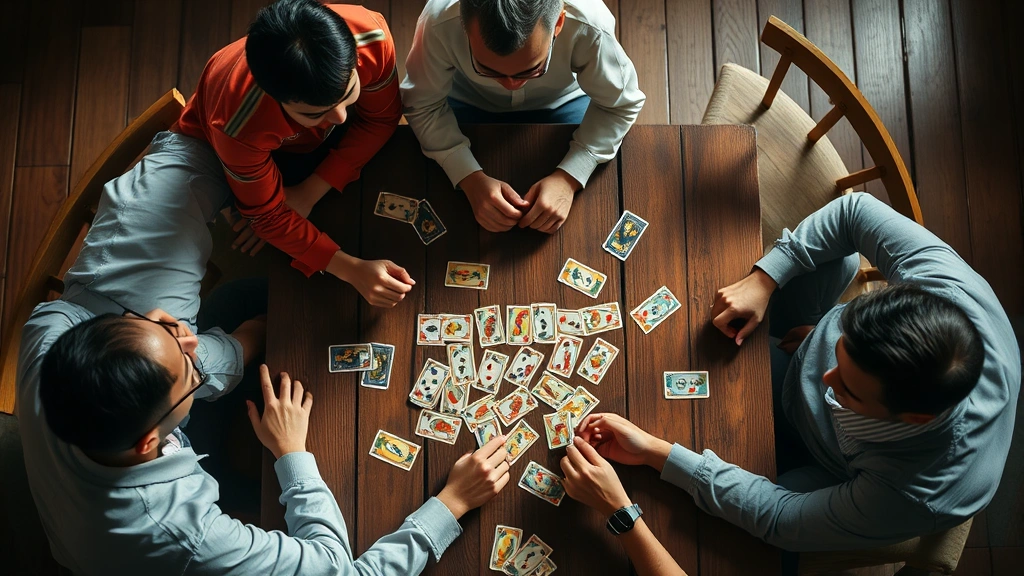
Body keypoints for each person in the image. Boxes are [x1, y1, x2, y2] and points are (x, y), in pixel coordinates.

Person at [17, 130, 512, 575]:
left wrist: (244, 338)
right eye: (189, 369)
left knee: (241, 302)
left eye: (162, 324)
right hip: (137, 545)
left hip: (88, 492)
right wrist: (448, 503)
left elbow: (196, 144)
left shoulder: (50, 334)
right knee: (290, 487)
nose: (185, 336)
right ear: (150, 440)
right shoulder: (190, 536)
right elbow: (336, 569)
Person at [558, 193, 1020, 556]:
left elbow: (781, 518)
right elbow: (855, 211)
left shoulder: (912, 494)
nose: (827, 379)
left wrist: (659, 453)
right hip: (808, 348)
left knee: (742, 520)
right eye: (839, 356)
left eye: (847, 389)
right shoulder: (951, 293)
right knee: (833, 258)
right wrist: (766, 281)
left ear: (912, 417)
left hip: (833, 466)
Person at [173, 0, 414, 307]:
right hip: (230, 156)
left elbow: (381, 118)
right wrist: (351, 269)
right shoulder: (236, 123)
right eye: (317, 112)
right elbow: (268, 217)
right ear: (274, 98)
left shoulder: (371, 34)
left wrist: (309, 192)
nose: (340, 117)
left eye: (349, 92)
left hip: (297, 158)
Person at [401, 0, 645, 234]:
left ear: (559, 22)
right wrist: (469, 178)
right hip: (466, 101)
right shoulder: (437, 22)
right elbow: (423, 105)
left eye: (532, 69)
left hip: (563, 102)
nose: (511, 86)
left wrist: (570, 176)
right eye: (487, 69)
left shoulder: (591, 23)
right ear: (464, 28)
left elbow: (620, 104)